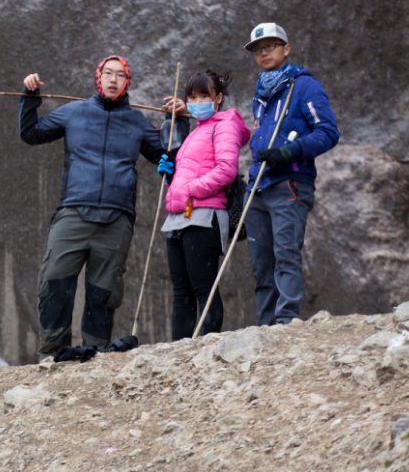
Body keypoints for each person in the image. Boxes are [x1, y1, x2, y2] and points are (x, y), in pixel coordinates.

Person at [19, 55, 190, 356]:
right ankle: (54, 351)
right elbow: (31, 134)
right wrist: (31, 96)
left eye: (120, 75)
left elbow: (172, 158)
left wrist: (178, 120)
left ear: (128, 82)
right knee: (55, 278)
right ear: (98, 77)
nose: (113, 79)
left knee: (104, 290)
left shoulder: (137, 122)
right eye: (108, 73)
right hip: (73, 209)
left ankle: (94, 350)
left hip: (117, 217)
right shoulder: (74, 112)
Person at [243, 23, 340, 325]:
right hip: (258, 185)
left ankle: (285, 322)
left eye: (270, 46)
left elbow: (328, 131)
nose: (264, 52)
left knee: (285, 254)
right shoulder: (261, 94)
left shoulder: (304, 85)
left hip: (289, 183)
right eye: (258, 49)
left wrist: (291, 150)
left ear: (286, 48)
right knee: (261, 263)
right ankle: (266, 324)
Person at [160, 70, 250, 340]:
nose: (197, 101)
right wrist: (171, 178)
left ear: (218, 98)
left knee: (204, 288)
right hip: (178, 216)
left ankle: (208, 346)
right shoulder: (195, 132)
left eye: (204, 96)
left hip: (205, 215)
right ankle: (179, 350)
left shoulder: (225, 126)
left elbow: (226, 170)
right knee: (180, 291)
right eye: (192, 97)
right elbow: (190, 173)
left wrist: (188, 189)